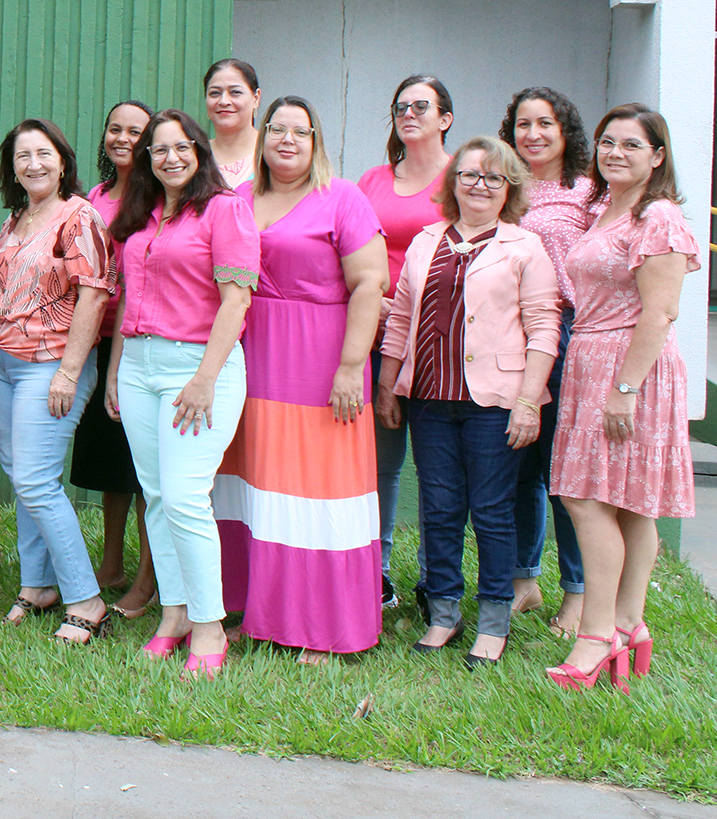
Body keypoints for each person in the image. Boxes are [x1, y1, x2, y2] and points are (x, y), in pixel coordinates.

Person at [218, 97, 386, 660]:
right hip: (252, 357)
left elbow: (369, 285)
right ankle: (262, 612)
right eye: (277, 131)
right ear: (261, 139)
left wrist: (350, 366)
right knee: (257, 486)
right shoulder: (240, 199)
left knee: (319, 492)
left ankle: (323, 625)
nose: (287, 140)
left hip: (318, 360)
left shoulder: (342, 199)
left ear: (316, 141)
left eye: (300, 131)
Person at [380, 137, 556, 667]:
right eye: (470, 175)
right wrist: (389, 385)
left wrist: (529, 402)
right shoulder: (425, 241)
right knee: (439, 508)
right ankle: (443, 614)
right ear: (453, 183)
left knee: (493, 510)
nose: (480, 185)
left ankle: (495, 619)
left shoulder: (525, 246)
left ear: (509, 190)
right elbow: (400, 321)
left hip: (497, 402)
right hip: (431, 399)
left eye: (493, 178)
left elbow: (544, 327)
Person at [546, 105, 699, 691]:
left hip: (629, 365)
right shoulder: (606, 209)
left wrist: (625, 390)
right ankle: (631, 625)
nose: (614, 153)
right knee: (629, 502)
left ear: (657, 156)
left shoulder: (657, 216)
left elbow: (660, 312)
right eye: (607, 142)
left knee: (584, 498)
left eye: (632, 145)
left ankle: (596, 633)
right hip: (592, 359)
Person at [105, 110, 256, 680]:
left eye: (180, 147)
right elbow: (127, 305)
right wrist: (119, 370)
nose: (169, 157)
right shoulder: (143, 216)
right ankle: (174, 616)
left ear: (199, 150)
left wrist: (204, 379)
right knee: (159, 495)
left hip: (198, 366)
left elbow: (237, 301)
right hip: (142, 364)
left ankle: (211, 626)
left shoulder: (225, 209)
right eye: (157, 149)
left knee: (188, 495)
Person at [0, 118, 115, 643]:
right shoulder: (17, 219)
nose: (33, 163)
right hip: (6, 363)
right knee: (23, 477)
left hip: (51, 365)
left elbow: (95, 293)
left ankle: (86, 600)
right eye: (22, 156)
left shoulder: (79, 217)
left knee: (37, 480)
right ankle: (37, 585)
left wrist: (69, 372)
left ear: (62, 161)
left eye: (43, 153)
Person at [355, 73, 453, 607]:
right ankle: (380, 571)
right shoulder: (372, 180)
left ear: (445, 118)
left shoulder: (463, 178)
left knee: (440, 468)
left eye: (421, 105)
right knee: (381, 462)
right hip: (378, 337)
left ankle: (438, 580)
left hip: (440, 342)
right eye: (400, 106)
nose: (409, 113)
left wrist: (409, 308)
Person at [499, 86, 592, 633]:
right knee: (521, 467)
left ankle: (578, 593)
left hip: (566, 331)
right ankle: (523, 582)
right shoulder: (504, 188)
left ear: (565, 132)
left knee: (563, 471)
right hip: (509, 335)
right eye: (522, 125)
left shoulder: (588, 191)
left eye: (545, 124)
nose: (532, 135)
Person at [72, 100, 157, 618]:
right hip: (95, 343)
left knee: (142, 468)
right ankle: (110, 564)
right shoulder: (95, 197)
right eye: (115, 129)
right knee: (110, 465)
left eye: (135, 131)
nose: (123, 138)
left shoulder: (157, 199)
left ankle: (147, 581)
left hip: (141, 345)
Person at [204, 59, 262, 189]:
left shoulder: (272, 153)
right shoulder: (195, 156)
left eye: (235, 92)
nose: (224, 101)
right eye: (215, 93)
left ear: (256, 98)